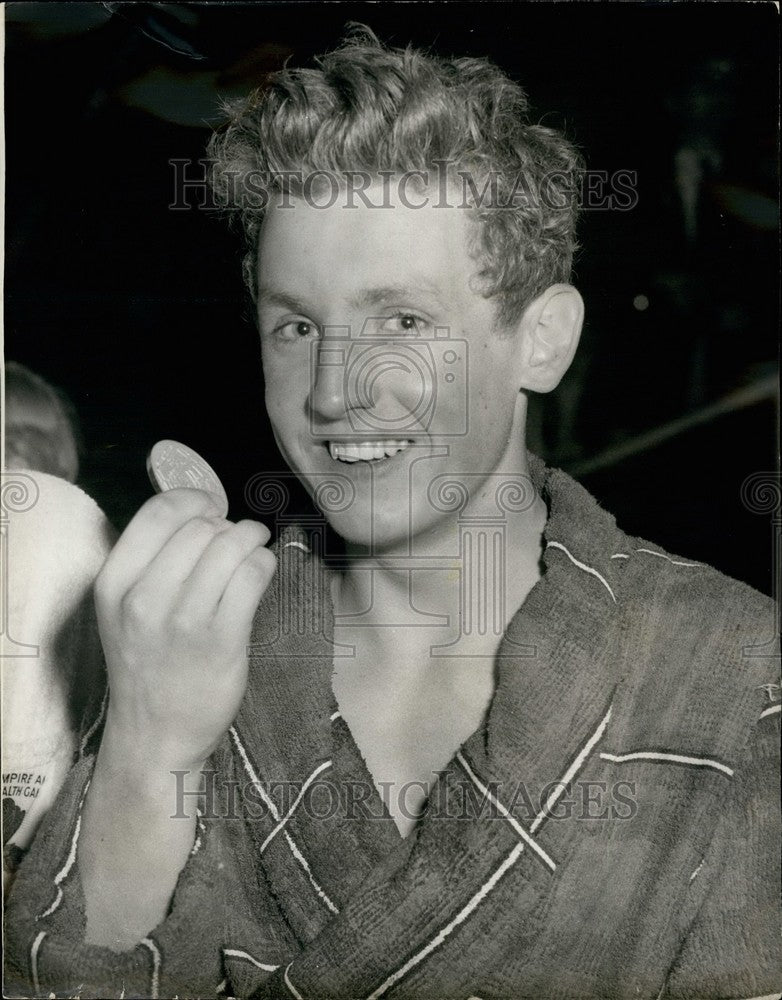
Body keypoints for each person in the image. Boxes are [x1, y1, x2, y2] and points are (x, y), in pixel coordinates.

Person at [5, 29, 780, 1000]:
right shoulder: (186, 643)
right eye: (295, 325)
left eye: (400, 322)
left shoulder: (737, 677)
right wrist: (150, 744)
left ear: (539, 341)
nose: (331, 391)